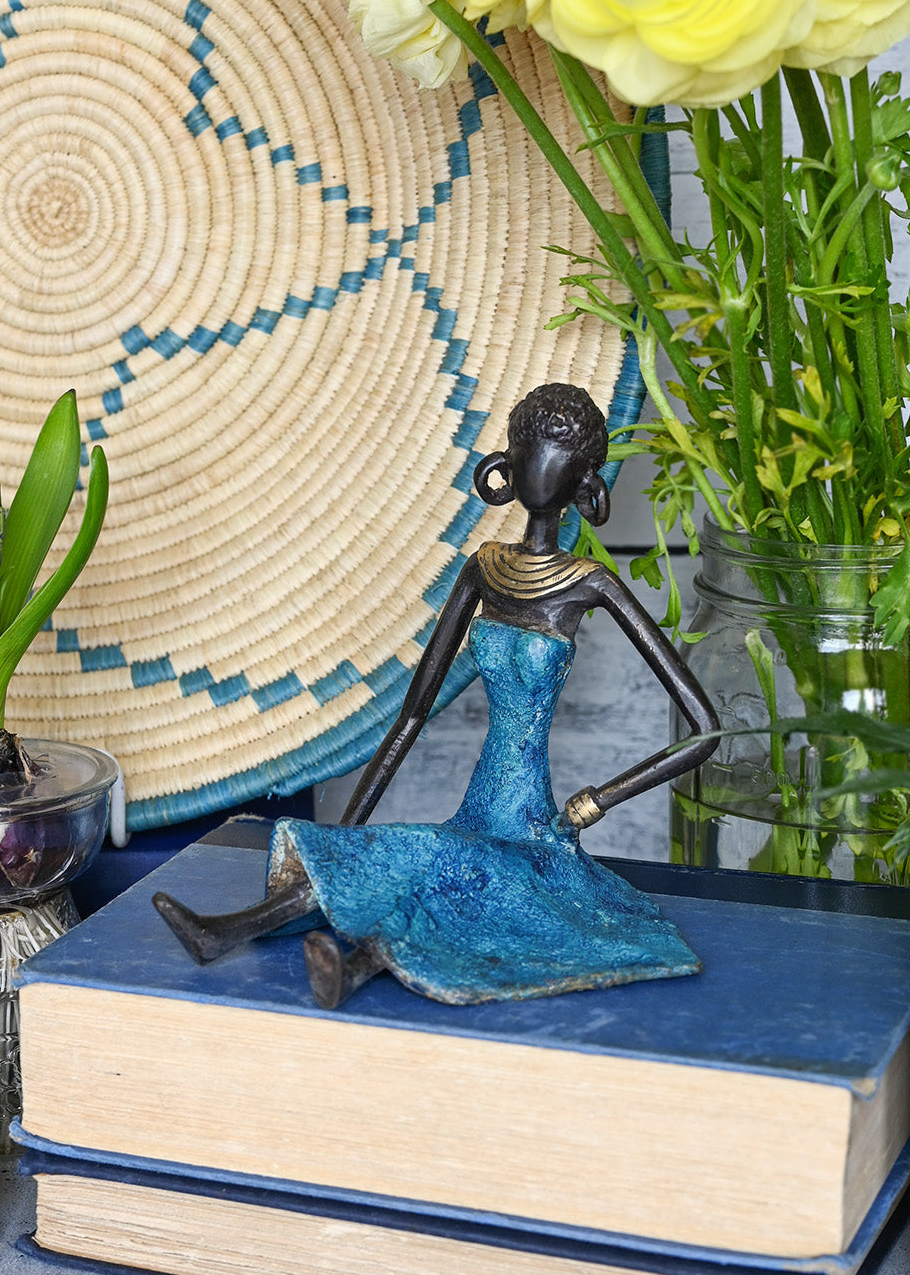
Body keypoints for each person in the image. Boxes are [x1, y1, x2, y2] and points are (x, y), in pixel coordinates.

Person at [155, 383, 719, 1008]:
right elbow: (413, 712)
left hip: (535, 823)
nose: (537, 466)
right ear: (508, 458)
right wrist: (347, 836)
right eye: (529, 449)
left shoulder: (589, 585)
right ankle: (234, 930)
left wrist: (594, 805)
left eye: (555, 456)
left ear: (584, 483)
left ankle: (349, 961)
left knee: (456, 869)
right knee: (409, 858)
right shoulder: (485, 568)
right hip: (479, 803)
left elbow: (704, 728)